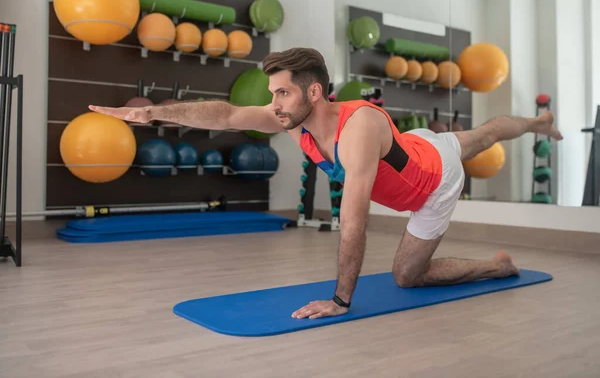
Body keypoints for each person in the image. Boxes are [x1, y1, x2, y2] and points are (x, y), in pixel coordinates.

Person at [89, 47, 563, 320]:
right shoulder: (294, 119)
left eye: (282, 92)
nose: (273, 103)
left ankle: (497, 265)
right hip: (416, 146)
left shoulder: (357, 130)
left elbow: (353, 223)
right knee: (484, 133)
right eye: (273, 93)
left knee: (406, 277)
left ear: (313, 92)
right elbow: (228, 113)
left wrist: (341, 300)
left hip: (435, 183)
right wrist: (152, 112)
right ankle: (540, 121)